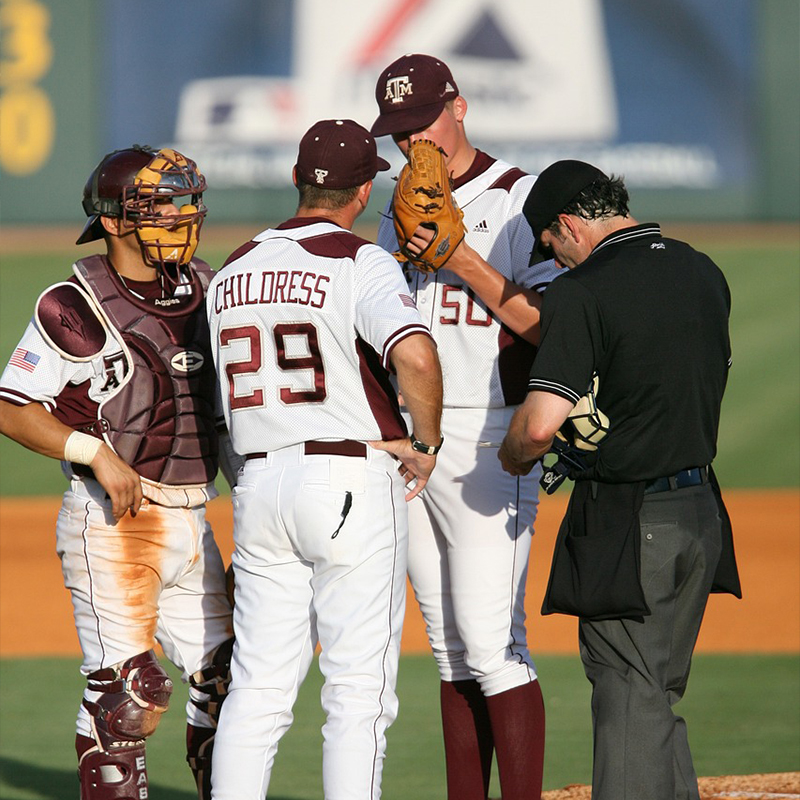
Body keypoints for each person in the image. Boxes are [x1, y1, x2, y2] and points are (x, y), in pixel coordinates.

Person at [206, 118, 443, 799]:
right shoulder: (359, 260)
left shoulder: (233, 269)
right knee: (357, 691)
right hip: (346, 481)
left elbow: (221, 402)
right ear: (365, 189)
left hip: (259, 483)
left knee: (257, 689)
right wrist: (423, 445)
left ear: (296, 181)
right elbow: (417, 355)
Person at [499, 159, 741, 800]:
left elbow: (543, 425)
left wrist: (513, 453)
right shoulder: (701, 269)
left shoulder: (587, 291)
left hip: (632, 520)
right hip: (700, 516)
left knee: (627, 697)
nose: (554, 263)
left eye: (551, 246)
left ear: (570, 225)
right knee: (655, 691)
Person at [0, 145, 236, 799]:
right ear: (113, 220)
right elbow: (12, 408)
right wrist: (94, 451)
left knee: (228, 676)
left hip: (195, 515)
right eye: (163, 205)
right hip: (112, 523)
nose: (183, 216)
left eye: (188, 201)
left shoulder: (211, 288)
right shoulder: (74, 303)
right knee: (129, 691)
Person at [370, 53, 558, 800]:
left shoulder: (520, 198)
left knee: (492, 644)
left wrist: (464, 260)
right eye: (398, 130)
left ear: (461, 106)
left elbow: (550, 329)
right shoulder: (393, 209)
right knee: (449, 651)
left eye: (423, 122)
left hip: (488, 442)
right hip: (414, 449)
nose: (414, 141)